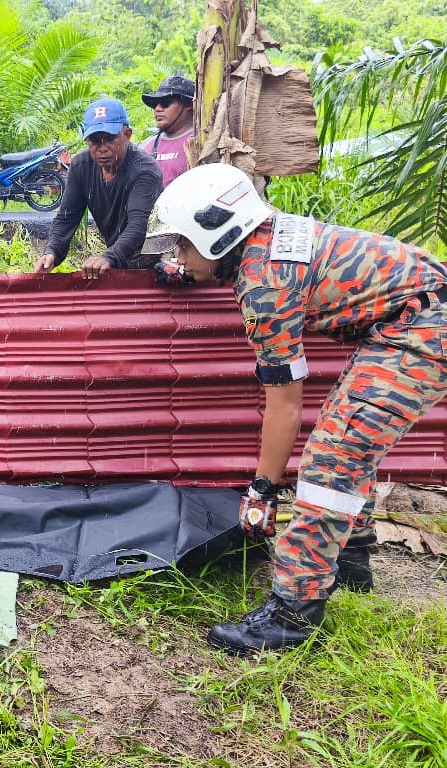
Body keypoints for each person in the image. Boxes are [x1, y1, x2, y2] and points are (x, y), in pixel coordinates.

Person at [151, 163, 447, 655]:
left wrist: (262, 489)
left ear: (219, 235)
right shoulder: (265, 237)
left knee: (330, 461)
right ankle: (350, 559)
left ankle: (292, 612)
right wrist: (187, 268)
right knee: (347, 438)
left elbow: (285, 402)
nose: (175, 254)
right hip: (416, 313)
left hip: (423, 328)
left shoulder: (264, 284)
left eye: (181, 243)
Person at [34, 97, 162, 277]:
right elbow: (67, 217)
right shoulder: (81, 166)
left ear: (127, 135)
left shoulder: (144, 170)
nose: (102, 148)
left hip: (153, 261)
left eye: (109, 139)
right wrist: (51, 252)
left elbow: (139, 224)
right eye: (94, 141)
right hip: (117, 258)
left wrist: (109, 256)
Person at [139, 75, 195, 189]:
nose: (157, 109)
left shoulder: (202, 142)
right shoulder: (145, 146)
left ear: (189, 104)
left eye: (165, 102)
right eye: (155, 104)